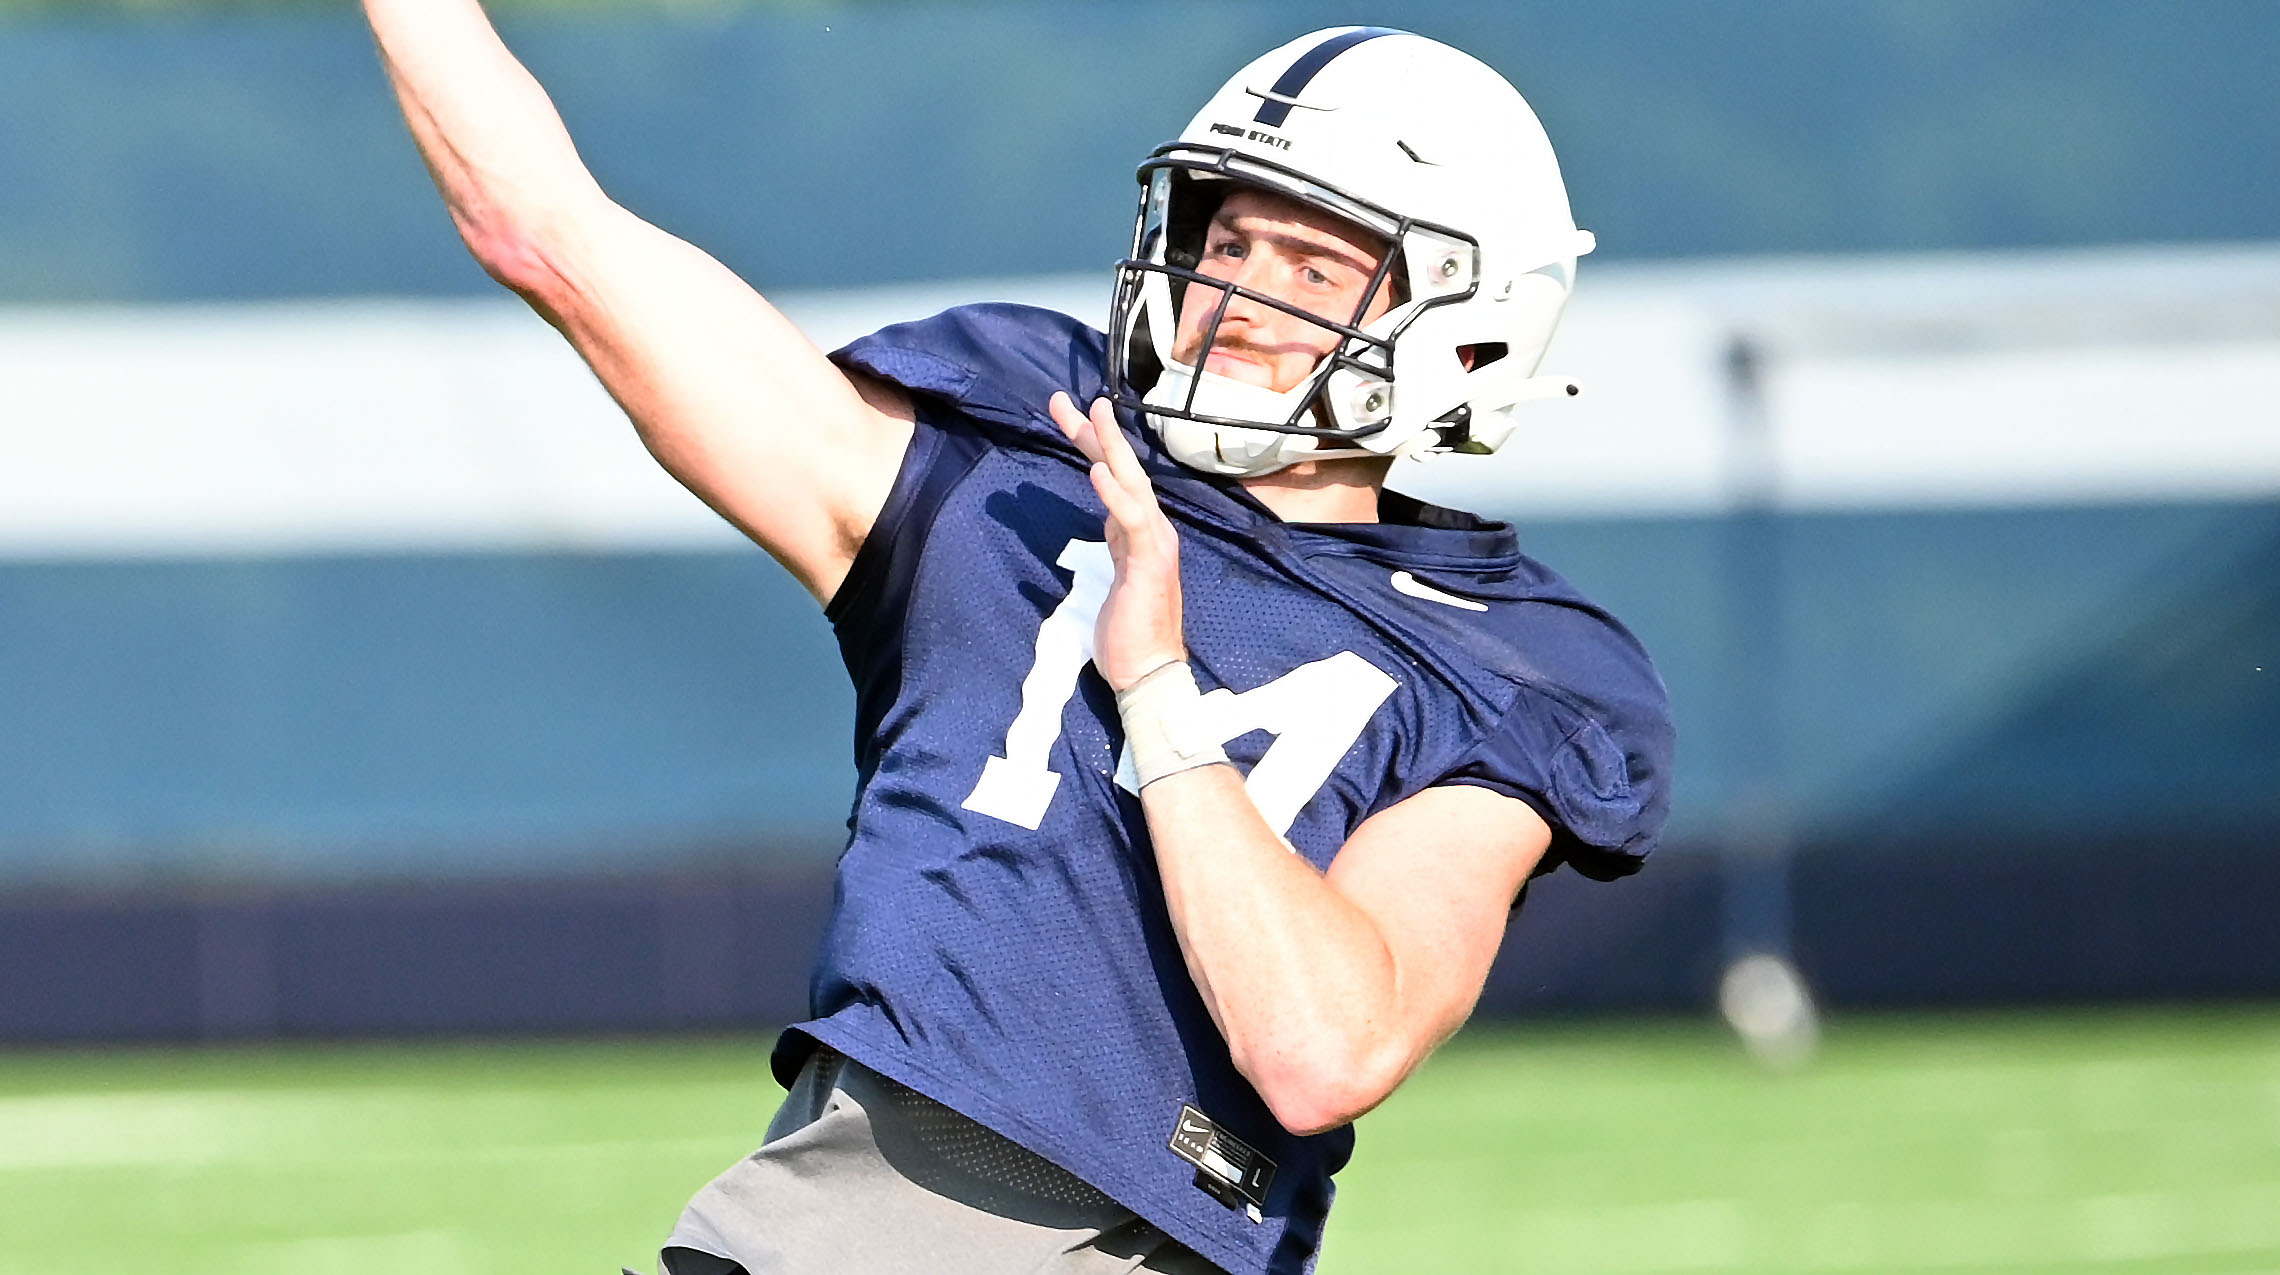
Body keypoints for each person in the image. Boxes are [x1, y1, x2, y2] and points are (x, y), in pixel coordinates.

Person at [365, 10, 1671, 1274]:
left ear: (1472, 317)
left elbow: (1322, 1049)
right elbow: (545, 231)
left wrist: (1155, 684)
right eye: (1229, 245)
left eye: (1316, 267)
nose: (1244, 297)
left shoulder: (1517, 666)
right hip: (860, 1205)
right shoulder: (1017, 469)